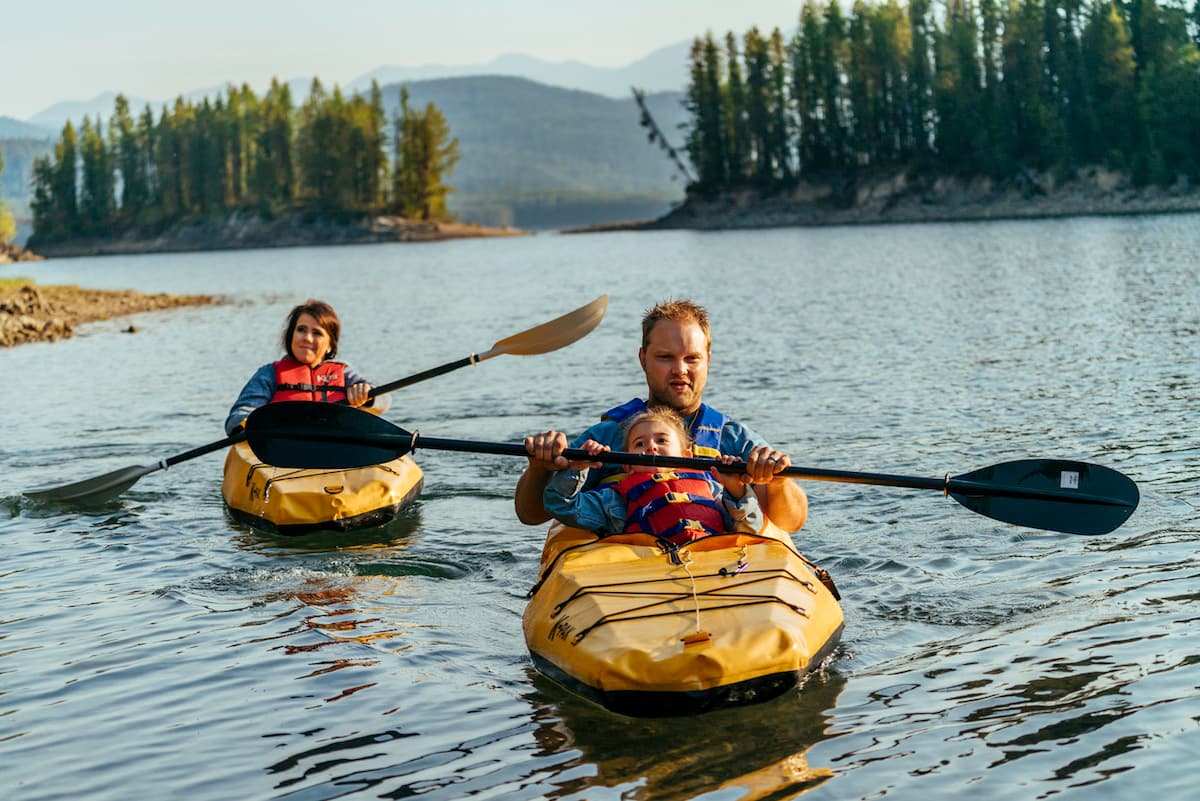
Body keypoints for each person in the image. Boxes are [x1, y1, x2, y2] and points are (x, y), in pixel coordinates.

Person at [516, 298, 808, 531]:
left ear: (708, 360)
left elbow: (791, 522)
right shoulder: (606, 438)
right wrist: (540, 467)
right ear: (643, 359)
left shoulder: (734, 439)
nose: (680, 370)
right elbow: (532, 515)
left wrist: (778, 481)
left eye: (692, 358)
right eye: (665, 357)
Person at [543, 406, 762, 541]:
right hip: (648, 569)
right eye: (640, 443)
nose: (651, 447)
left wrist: (736, 489)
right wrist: (577, 468)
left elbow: (749, 526)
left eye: (662, 440)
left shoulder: (712, 490)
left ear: (686, 457)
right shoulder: (614, 501)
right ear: (627, 466)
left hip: (710, 563)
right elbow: (561, 505)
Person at [224, 299, 381, 435]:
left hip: (337, 447)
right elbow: (237, 417)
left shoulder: (345, 373)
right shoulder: (269, 374)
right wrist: (252, 423)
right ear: (291, 335)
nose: (307, 338)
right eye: (301, 330)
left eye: (317, 333)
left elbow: (383, 401)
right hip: (283, 449)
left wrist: (368, 395)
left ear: (330, 345)